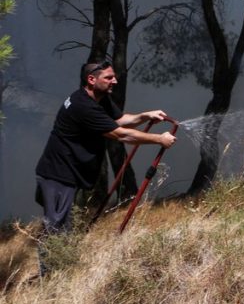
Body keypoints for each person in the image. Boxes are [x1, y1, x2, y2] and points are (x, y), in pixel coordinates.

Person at [34, 60, 176, 276]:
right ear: (92, 80)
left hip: (68, 171)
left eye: (114, 77)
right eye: (109, 78)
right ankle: (51, 279)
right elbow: (121, 134)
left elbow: (119, 120)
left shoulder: (98, 98)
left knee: (63, 225)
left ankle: (61, 272)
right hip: (58, 174)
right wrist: (159, 139)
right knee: (56, 227)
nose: (115, 81)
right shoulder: (83, 106)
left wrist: (144, 116)